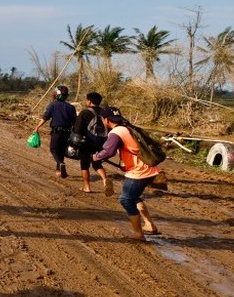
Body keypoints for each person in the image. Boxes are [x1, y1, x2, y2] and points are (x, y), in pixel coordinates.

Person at [92, 106, 161, 240]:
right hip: (150, 168)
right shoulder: (127, 127)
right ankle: (149, 225)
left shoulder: (117, 132)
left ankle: (138, 234)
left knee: (126, 199)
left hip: (139, 171)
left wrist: (96, 157)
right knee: (134, 197)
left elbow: (108, 151)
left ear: (106, 119)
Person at [73, 92, 113, 195]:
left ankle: (87, 187)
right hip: (102, 142)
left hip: (87, 142)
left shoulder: (85, 113)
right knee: (97, 163)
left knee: (84, 165)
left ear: (90, 101)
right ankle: (105, 180)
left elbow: (77, 129)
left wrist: (75, 143)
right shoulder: (104, 112)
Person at [32, 85, 76, 178]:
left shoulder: (52, 105)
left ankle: (60, 163)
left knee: (54, 149)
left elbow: (45, 118)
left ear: (56, 94)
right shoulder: (71, 107)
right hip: (67, 132)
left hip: (57, 132)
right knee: (62, 150)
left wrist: (37, 127)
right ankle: (59, 170)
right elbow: (74, 121)